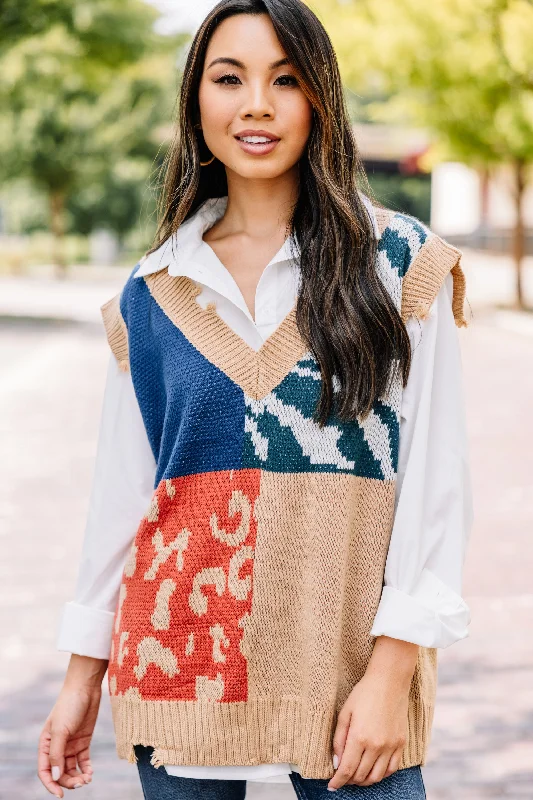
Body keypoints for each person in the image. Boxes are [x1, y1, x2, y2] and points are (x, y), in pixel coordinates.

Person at [38, 1, 473, 798]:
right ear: (195, 100)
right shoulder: (152, 292)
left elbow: (435, 484)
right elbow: (125, 499)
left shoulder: (396, 264)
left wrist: (393, 666)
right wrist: (81, 676)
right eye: (227, 78)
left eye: (285, 79)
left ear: (320, 101)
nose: (256, 105)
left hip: (345, 688)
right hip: (176, 680)